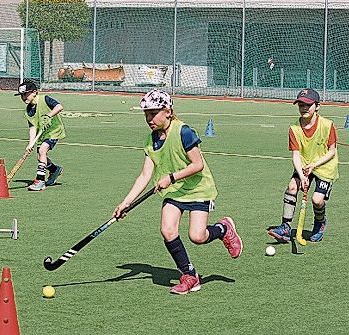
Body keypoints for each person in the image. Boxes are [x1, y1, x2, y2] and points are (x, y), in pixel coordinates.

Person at [113, 89, 242, 295]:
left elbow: (197, 164)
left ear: (168, 112)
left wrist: (171, 177)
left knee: (197, 237)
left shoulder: (184, 132)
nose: (149, 118)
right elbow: (145, 175)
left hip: (198, 189)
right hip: (174, 193)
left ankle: (223, 229)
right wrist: (125, 203)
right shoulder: (150, 140)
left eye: (153, 113)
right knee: (167, 230)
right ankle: (189, 275)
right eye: (146, 114)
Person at [268, 88, 338, 242]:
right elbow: (296, 154)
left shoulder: (327, 125)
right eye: (301, 105)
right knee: (293, 186)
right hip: (304, 164)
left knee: (317, 200)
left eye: (308, 105)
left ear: (317, 106)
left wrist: (314, 165)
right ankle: (286, 227)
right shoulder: (294, 128)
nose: (304, 108)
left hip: (325, 166)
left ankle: (320, 223)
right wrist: (301, 175)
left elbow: (332, 152)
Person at [15, 80, 65, 191]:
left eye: (25, 94)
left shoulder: (45, 99)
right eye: (21, 95)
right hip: (42, 134)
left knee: (42, 151)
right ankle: (54, 170)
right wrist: (30, 143)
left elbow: (59, 107)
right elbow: (32, 128)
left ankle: (40, 181)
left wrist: (49, 115)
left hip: (54, 130)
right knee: (40, 157)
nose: (23, 97)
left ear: (34, 92)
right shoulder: (28, 111)